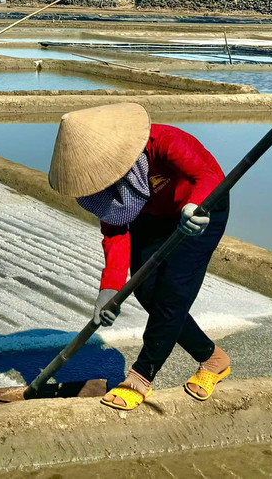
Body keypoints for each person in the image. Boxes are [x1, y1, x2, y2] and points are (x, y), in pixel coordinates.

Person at [48, 102, 230, 411]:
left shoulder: (166, 142)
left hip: (198, 214)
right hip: (150, 215)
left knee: (174, 293)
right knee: (146, 290)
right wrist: (109, 288)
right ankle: (213, 359)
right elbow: (116, 231)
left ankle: (142, 375)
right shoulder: (106, 187)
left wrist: (196, 205)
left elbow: (208, 176)